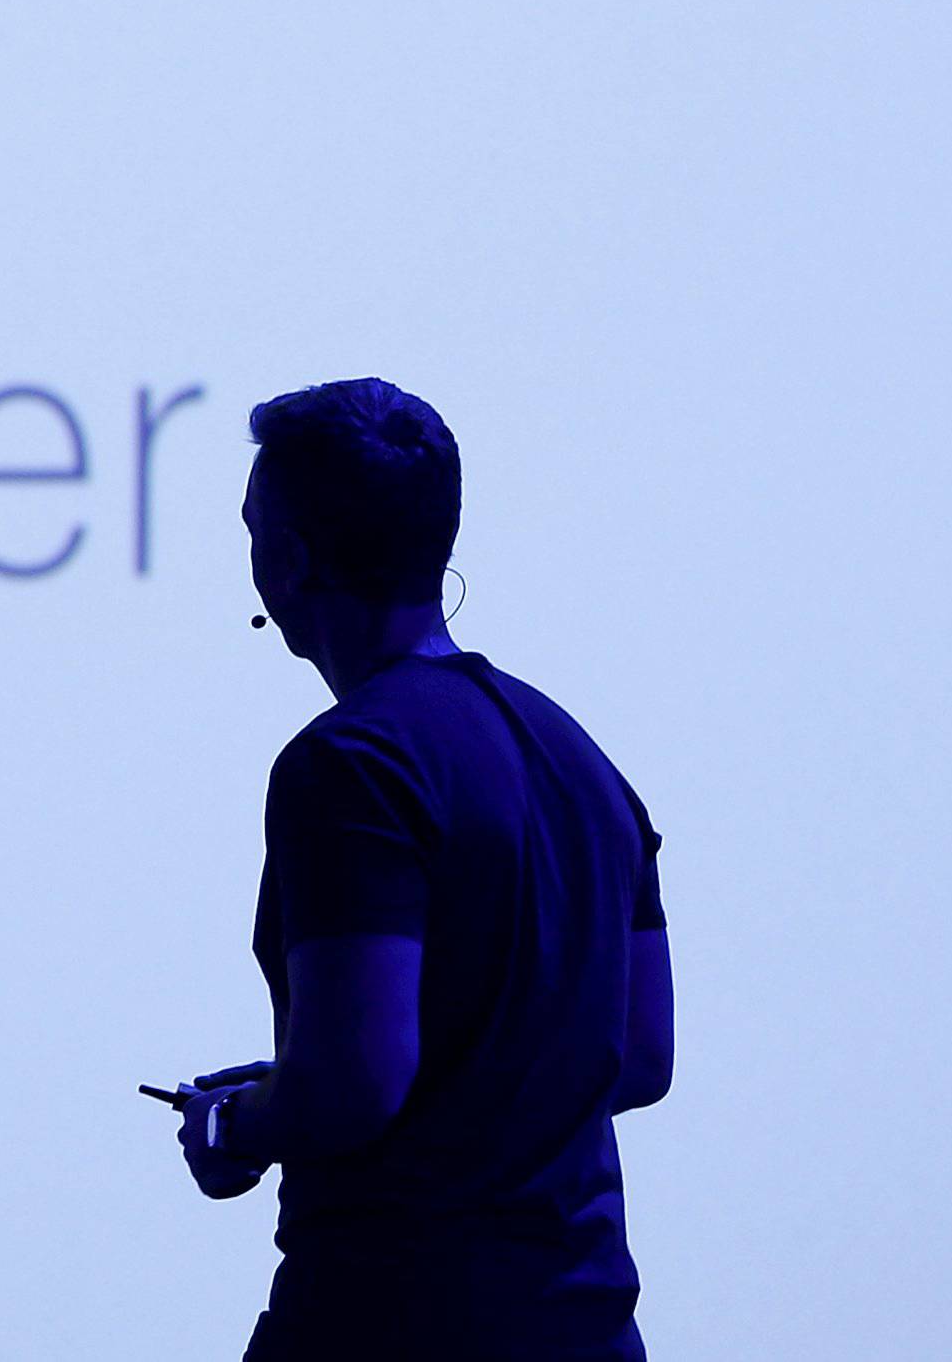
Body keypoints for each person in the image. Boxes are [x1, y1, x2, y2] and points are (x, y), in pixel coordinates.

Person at [171, 377, 674, 1362]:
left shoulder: (352, 767)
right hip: (585, 1331)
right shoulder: (580, 760)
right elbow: (640, 1056)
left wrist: (238, 1127)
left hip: (395, 1320)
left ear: (290, 558)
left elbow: (357, 1081)